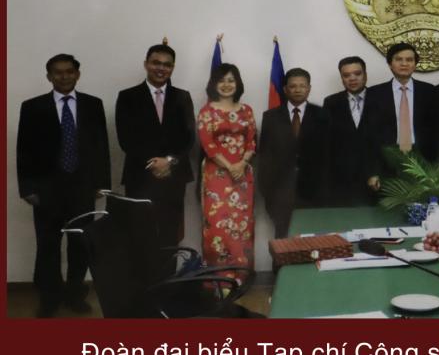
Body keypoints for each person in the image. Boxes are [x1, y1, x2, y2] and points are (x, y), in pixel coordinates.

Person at [16, 54, 111, 317]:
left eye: (70, 71)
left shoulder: (93, 104)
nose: (64, 76)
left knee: (80, 245)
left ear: (78, 74)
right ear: (49, 76)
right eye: (58, 72)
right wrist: (27, 188)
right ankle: (49, 298)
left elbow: (101, 146)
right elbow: (23, 149)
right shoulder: (33, 107)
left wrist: (101, 183)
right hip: (46, 190)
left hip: (82, 188)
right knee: (48, 246)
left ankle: (74, 295)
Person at [115, 43, 195, 276]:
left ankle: (168, 285)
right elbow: (126, 139)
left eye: (167, 65)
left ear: (173, 68)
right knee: (140, 233)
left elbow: (189, 138)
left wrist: (169, 160)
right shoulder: (127, 97)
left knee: (170, 234)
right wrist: (154, 163)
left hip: (174, 176)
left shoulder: (182, 96)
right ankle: (144, 287)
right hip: (140, 176)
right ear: (146, 64)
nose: (161, 68)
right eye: (156, 63)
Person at [197, 63, 257, 270]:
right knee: (217, 226)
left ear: (238, 84)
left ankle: (241, 275)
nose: (226, 85)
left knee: (242, 225)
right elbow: (208, 145)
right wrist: (231, 167)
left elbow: (252, 141)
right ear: (214, 84)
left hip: (243, 176)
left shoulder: (247, 111)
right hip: (217, 176)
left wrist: (242, 164)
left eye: (231, 80)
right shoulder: (207, 111)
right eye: (221, 80)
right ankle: (217, 279)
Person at [258, 68, 329, 239]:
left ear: (309, 88)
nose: (298, 90)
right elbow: (265, 156)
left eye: (302, 86)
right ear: (285, 89)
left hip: (314, 191)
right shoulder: (271, 117)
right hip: (280, 191)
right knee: (283, 238)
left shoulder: (323, 115)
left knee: (313, 240)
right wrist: (267, 191)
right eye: (293, 86)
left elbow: (328, 154)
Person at [365, 42, 438, 192]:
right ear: (390, 64)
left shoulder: (429, 91)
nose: (404, 64)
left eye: (409, 60)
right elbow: (369, 136)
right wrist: (372, 171)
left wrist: (438, 165)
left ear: (415, 64)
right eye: (399, 59)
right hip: (387, 161)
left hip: (423, 161)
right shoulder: (374, 94)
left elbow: (437, 131)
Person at [323, 56, 375, 206]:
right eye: (346, 75)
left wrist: (377, 172)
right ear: (342, 78)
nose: (352, 78)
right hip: (342, 180)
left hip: (375, 177)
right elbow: (327, 142)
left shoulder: (380, 98)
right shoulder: (331, 102)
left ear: (365, 75)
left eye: (357, 73)